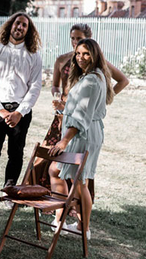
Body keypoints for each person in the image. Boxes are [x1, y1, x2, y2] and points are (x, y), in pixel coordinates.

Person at [42, 23, 129, 197]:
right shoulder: (67, 61)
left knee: (78, 177)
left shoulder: (94, 73)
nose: (75, 42)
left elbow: (122, 81)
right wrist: (62, 103)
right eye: (73, 38)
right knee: (61, 170)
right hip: (66, 117)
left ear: (89, 40)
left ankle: (73, 209)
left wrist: (101, 101)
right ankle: (62, 206)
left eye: (79, 39)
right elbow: (58, 87)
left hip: (81, 125)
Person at [48, 38, 115, 239]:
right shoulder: (92, 76)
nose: (81, 58)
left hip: (83, 134)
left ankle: (82, 228)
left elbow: (81, 116)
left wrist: (64, 141)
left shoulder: (93, 80)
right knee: (58, 171)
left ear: (95, 55)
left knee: (79, 181)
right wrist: (64, 108)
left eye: (86, 54)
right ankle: (60, 218)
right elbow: (81, 107)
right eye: (78, 53)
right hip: (85, 132)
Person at [0, 12, 43, 201]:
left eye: (24, 25)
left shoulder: (33, 56)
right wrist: (0, 110)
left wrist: (19, 112)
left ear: (28, 30)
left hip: (20, 112)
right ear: (10, 25)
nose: (20, 27)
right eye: (17, 23)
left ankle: (9, 192)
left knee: (15, 154)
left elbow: (35, 87)